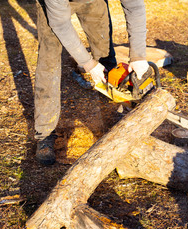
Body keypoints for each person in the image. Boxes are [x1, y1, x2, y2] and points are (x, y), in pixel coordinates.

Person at [34, 0, 149, 165]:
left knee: (104, 54)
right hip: (55, 6)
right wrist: (87, 63)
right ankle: (44, 133)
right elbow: (60, 24)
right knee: (49, 62)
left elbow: (135, 6)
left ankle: (112, 119)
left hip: (94, 2)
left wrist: (138, 55)